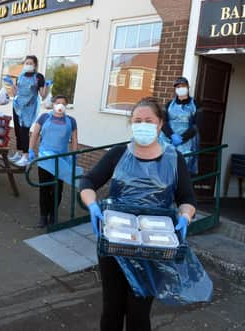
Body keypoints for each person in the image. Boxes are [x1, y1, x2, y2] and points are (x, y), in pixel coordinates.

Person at [79, 98, 211, 331]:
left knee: (139, 311)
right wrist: (92, 205)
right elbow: (88, 181)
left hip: (153, 245)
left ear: (160, 124)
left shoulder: (173, 158)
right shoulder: (119, 153)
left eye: (148, 121)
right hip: (115, 243)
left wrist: (184, 217)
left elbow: (187, 199)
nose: (142, 125)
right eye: (137, 121)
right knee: (112, 307)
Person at [28, 95, 78, 227]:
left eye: (63, 103)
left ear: (66, 106)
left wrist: (74, 155)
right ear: (54, 104)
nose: (60, 105)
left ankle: (53, 216)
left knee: (57, 189)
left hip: (60, 160)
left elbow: (74, 140)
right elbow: (35, 134)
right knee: (44, 188)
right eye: (58, 102)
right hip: (45, 159)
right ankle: (43, 216)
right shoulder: (44, 117)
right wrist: (31, 150)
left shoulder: (71, 121)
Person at [3, 55, 50, 167]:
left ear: (35, 65)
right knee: (18, 131)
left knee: (24, 131)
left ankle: (26, 156)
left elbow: (43, 96)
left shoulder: (38, 77)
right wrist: (11, 84)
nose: (28, 65)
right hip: (17, 107)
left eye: (30, 63)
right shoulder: (21, 76)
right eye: (26, 63)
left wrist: (47, 86)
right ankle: (19, 153)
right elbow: (15, 94)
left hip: (29, 109)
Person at [160, 76, 202, 175]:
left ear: (188, 87)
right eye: (177, 86)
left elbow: (197, 125)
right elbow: (163, 122)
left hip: (187, 142)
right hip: (168, 140)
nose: (180, 88)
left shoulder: (196, 105)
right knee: (164, 167)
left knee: (182, 169)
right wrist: (172, 136)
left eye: (182, 85)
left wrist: (182, 138)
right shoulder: (169, 104)